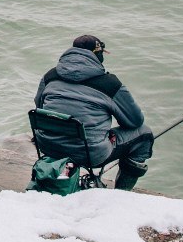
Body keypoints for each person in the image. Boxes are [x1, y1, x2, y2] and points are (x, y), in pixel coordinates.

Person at [34, 35, 154, 191]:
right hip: (89, 155)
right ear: (97, 55)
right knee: (144, 134)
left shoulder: (49, 76)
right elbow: (135, 121)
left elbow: (39, 106)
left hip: (48, 145)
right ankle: (122, 193)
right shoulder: (110, 84)